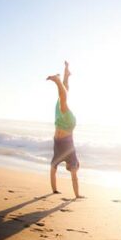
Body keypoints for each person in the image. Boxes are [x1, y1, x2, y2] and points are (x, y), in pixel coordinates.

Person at [47, 61, 82, 199]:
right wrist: (77, 195)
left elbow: (52, 171)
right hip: (68, 125)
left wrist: (54, 191)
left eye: (72, 169)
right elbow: (75, 178)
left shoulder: (58, 156)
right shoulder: (73, 158)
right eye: (74, 168)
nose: (72, 169)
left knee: (61, 99)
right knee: (63, 102)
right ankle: (58, 80)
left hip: (59, 122)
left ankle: (65, 75)